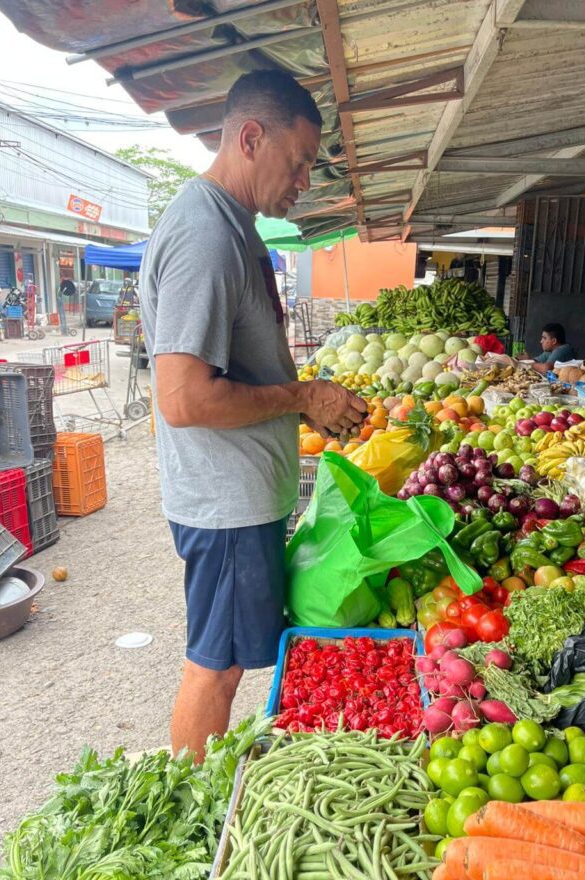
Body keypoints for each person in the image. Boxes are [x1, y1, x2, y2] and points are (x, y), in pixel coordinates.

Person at [140, 70, 367, 761]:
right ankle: (194, 800)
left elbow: (238, 371)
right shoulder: (205, 236)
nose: (304, 180)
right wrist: (301, 398)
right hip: (225, 505)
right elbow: (185, 398)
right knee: (217, 665)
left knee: (229, 658)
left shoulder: (234, 229)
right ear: (248, 138)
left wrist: (305, 401)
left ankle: (208, 783)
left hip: (241, 499)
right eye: (297, 161)